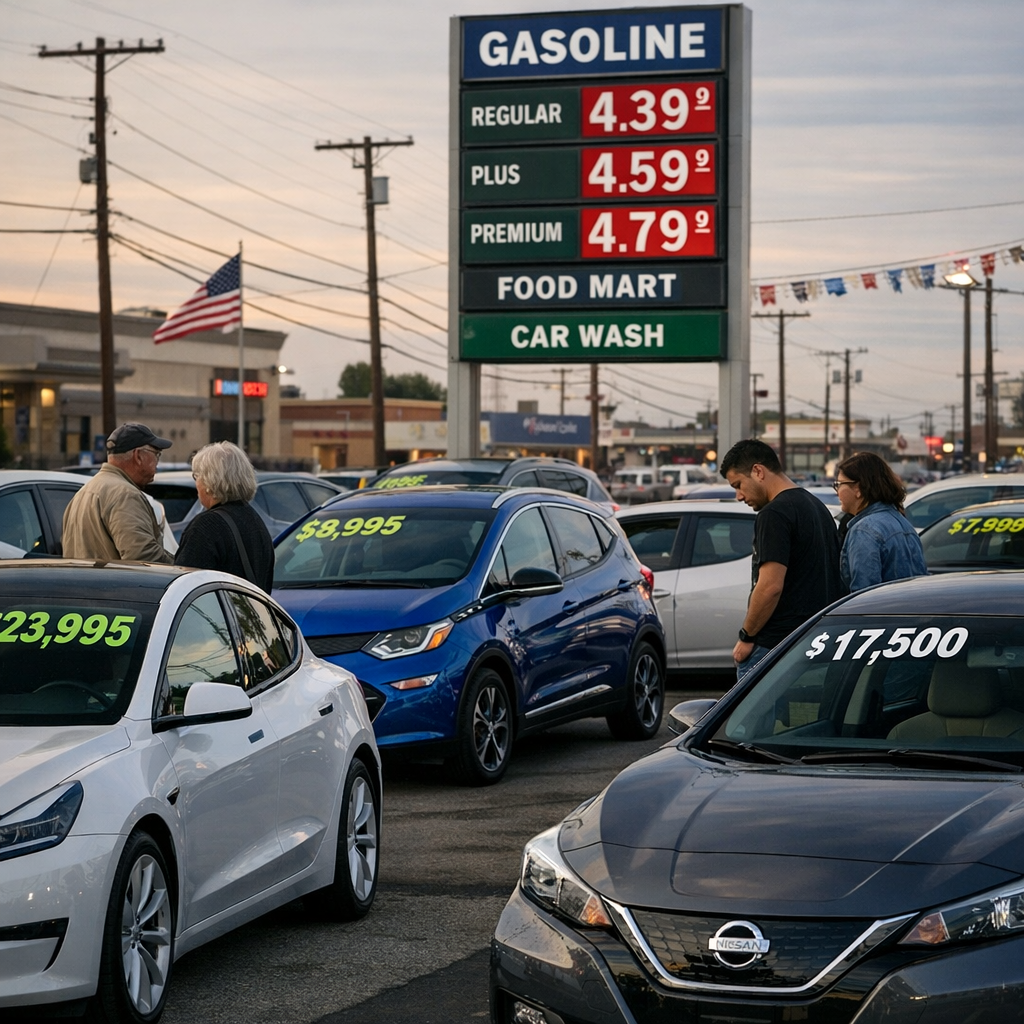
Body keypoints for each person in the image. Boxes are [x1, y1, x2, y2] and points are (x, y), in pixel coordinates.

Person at [721, 439, 844, 680]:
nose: (738, 496)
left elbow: (770, 587)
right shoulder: (817, 507)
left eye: (738, 484)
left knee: (751, 717)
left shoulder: (774, 514)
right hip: (816, 638)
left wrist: (747, 637)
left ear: (758, 471)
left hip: (775, 644)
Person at [62, 422, 174, 563]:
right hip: (116, 584)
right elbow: (143, 556)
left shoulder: (83, 492)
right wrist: (181, 568)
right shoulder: (125, 495)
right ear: (138, 456)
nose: (157, 461)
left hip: (86, 584)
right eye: (156, 454)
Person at [175, 441, 274, 592]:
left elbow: (184, 588)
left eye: (197, 476)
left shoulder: (206, 526)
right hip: (249, 614)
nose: (196, 484)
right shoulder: (254, 520)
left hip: (215, 614)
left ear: (209, 482)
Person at [835, 451, 927, 592]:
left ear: (858, 488)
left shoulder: (864, 530)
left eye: (840, 484)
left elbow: (863, 596)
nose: (837, 491)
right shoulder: (903, 524)